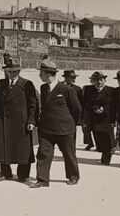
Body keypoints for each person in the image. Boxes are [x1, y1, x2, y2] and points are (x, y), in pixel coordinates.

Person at [28, 59, 82, 187]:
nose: (40, 76)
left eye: (41, 73)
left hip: (65, 129)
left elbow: (77, 109)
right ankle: (42, 179)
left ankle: (73, 176)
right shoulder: (43, 88)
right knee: (43, 154)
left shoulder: (66, 89)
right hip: (46, 129)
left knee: (69, 154)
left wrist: (70, 124)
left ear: (48, 73)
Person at [0, 53, 39, 181]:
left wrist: (31, 120)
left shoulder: (26, 84)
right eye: (8, 71)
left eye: (13, 71)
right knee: (3, 146)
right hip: (4, 121)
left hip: (21, 122)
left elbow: (33, 104)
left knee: (23, 149)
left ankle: (23, 175)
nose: (10, 74)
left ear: (18, 71)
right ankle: (5, 172)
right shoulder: (1, 84)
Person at [84, 71, 115, 164]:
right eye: (96, 80)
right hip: (94, 120)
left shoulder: (111, 91)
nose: (99, 82)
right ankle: (105, 151)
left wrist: (104, 109)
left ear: (105, 80)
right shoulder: (88, 90)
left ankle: (106, 157)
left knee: (107, 138)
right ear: (92, 81)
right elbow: (86, 104)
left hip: (107, 119)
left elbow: (114, 106)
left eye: (101, 80)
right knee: (98, 138)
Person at [61, 69, 84, 148]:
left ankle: (71, 149)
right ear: (66, 78)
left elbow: (81, 104)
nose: (74, 79)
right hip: (61, 115)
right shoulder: (59, 87)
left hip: (72, 116)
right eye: (72, 77)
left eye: (74, 77)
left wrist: (79, 118)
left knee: (72, 134)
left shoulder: (77, 89)